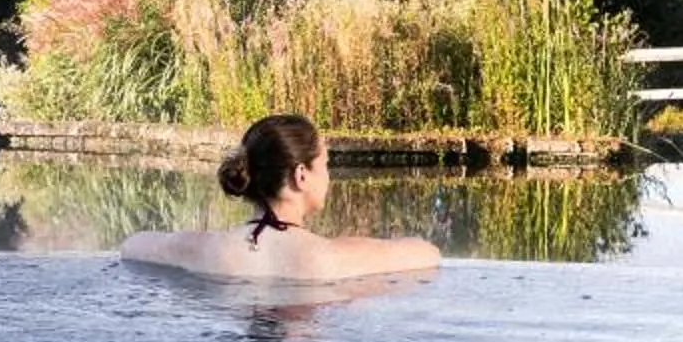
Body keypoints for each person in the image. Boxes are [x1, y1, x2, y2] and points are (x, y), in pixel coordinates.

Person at [120, 113, 442, 282]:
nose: (329, 177)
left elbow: (132, 246)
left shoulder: (207, 248)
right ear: (301, 175)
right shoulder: (329, 257)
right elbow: (428, 254)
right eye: (325, 165)